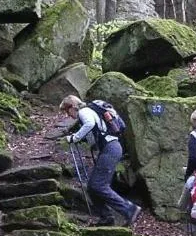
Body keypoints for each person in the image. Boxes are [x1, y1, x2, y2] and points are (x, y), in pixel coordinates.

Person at [60, 95, 142, 228]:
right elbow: (94, 133)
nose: (67, 115)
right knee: (92, 187)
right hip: (110, 148)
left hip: (111, 148)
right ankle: (106, 217)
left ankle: (129, 209)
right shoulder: (89, 111)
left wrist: (74, 138)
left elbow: (90, 124)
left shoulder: (83, 111)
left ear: (72, 107)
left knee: (98, 185)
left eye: (66, 111)